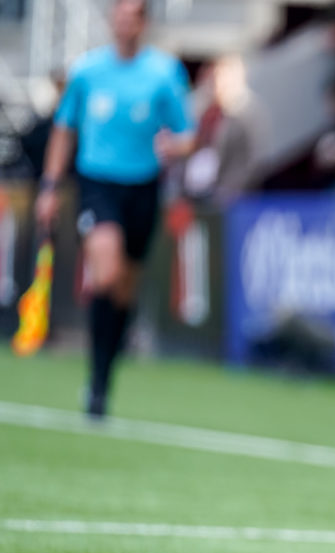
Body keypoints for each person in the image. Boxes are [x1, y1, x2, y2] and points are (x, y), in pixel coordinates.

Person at [34, 0, 194, 417]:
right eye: (119, 15)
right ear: (111, 20)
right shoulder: (87, 71)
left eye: (133, 16)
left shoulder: (163, 73)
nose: (125, 22)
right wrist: (50, 186)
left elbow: (187, 134)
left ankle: (104, 376)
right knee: (105, 272)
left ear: (143, 23)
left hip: (142, 186)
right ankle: (97, 381)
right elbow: (64, 130)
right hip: (97, 183)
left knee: (124, 285)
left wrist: (174, 146)